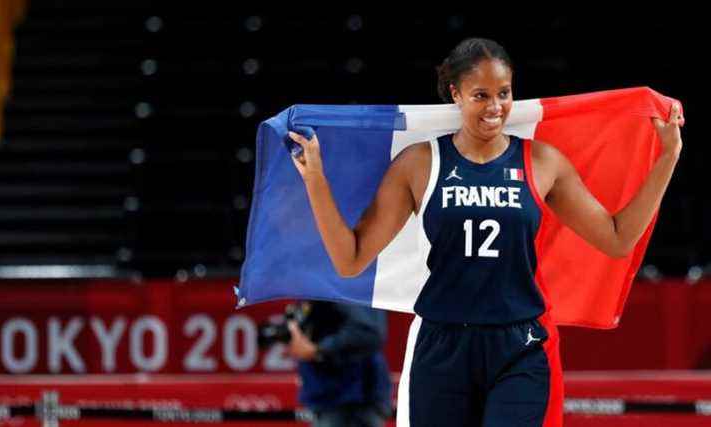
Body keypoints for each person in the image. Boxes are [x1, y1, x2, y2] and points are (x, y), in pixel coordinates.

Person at [287, 37, 683, 426]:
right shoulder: (420, 162)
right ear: (456, 94)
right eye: (481, 95)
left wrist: (668, 157)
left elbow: (616, 239)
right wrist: (316, 180)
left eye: (504, 93)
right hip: (443, 344)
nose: (495, 107)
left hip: (519, 346)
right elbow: (350, 259)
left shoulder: (542, 161)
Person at [284, 301, 392, 427]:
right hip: (328, 395)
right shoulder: (319, 289)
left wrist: (318, 349)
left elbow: (369, 332)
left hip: (352, 399)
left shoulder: (345, 286)